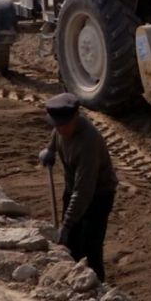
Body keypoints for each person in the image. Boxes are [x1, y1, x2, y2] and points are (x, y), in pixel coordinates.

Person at [39, 93, 118, 282]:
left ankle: (96, 287)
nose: (60, 130)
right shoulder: (61, 126)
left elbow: (84, 192)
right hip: (74, 187)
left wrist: (66, 225)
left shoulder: (88, 142)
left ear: (76, 117)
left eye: (64, 125)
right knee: (71, 244)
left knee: (90, 248)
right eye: (57, 125)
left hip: (98, 195)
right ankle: (72, 280)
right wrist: (50, 149)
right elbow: (56, 134)